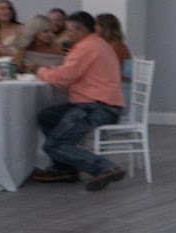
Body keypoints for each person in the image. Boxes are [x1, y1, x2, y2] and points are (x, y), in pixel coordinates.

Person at [28, 11, 127, 190]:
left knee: (55, 145)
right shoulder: (99, 44)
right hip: (102, 104)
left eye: (69, 30)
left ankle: (106, 168)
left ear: (81, 30)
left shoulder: (85, 48)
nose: (67, 34)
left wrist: (39, 70)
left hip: (95, 107)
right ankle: (65, 168)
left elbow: (64, 78)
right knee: (47, 116)